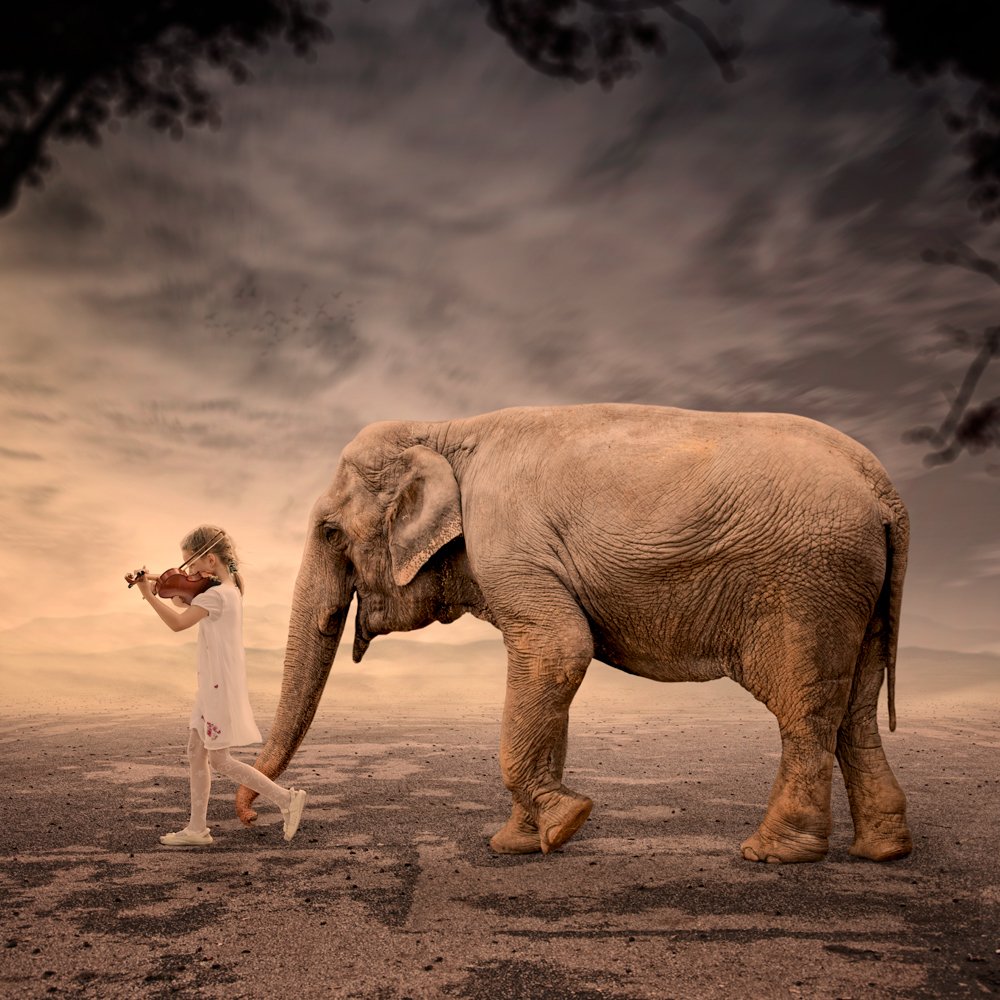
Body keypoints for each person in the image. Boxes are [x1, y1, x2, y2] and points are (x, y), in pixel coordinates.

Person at [127, 524, 306, 847]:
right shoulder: (226, 588)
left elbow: (178, 622)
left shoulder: (218, 596)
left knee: (219, 760)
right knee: (196, 751)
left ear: (210, 560)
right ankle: (197, 829)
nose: (190, 572)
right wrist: (155, 580)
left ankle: (285, 799)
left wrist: (145, 594)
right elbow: (182, 596)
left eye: (192, 565)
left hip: (217, 687)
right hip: (210, 685)